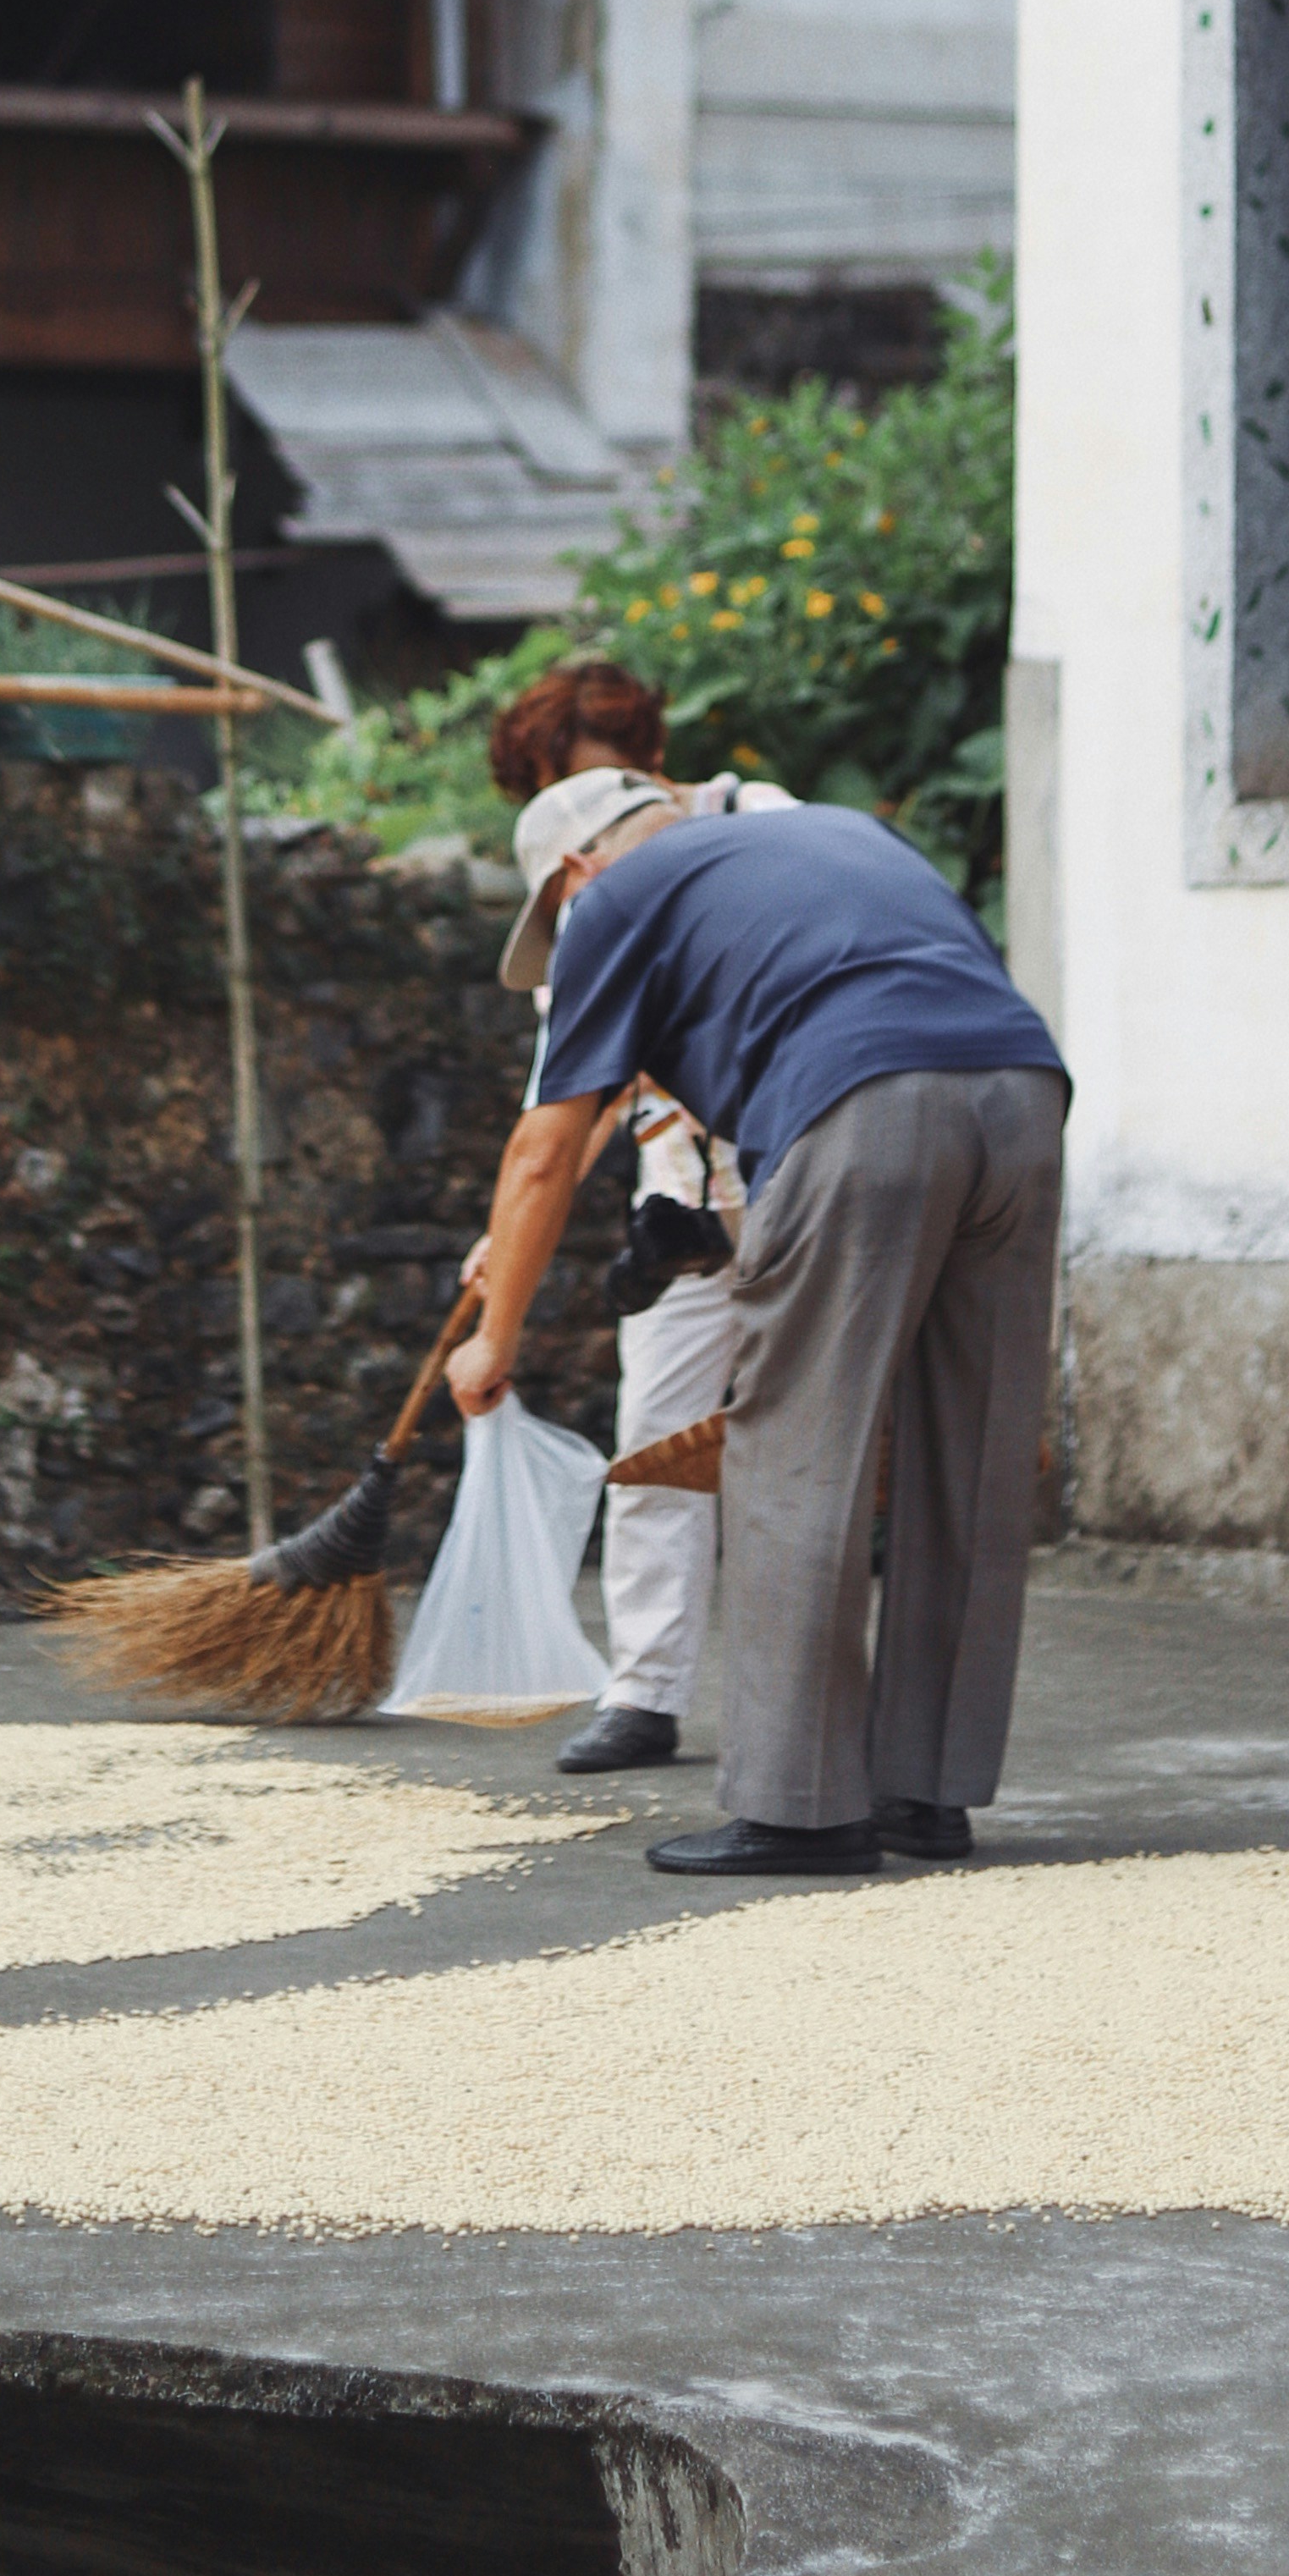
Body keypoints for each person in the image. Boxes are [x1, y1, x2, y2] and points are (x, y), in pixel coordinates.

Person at [449, 790, 1066, 1877]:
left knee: (794, 1450)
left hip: (863, 1098)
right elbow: (890, 1050)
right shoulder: (834, 834)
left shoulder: (612, 907)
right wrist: (718, 1229)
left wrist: (492, 1343)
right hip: (1022, 1097)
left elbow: (543, 1153)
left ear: (575, 874)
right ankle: (926, 1795)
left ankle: (801, 1809)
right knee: (969, 1450)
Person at [479, 663, 794, 1782]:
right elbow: (568, 1097)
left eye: (601, 774)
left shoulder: (754, 820)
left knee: (810, 1438)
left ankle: (804, 1697)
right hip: (678, 1195)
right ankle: (643, 1692)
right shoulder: (584, 896)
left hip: (797, 1164)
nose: (595, 800)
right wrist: (513, 1226)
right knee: (653, 1433)